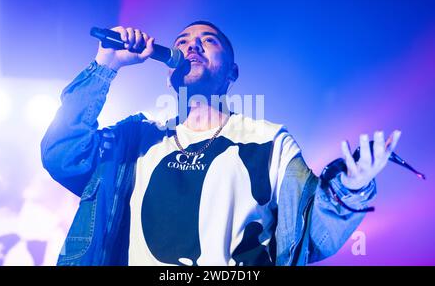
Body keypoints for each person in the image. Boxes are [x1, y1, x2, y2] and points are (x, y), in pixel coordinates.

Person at [41, 21, 401, 266]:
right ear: (169, 74)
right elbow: (62, 154)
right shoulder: (136, 138)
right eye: (181, 41)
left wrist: (351, 187)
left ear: (232, 72)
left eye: (207, 40)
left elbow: (313, 236)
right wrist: (106, 64)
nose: (190, 45)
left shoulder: (269, 141)